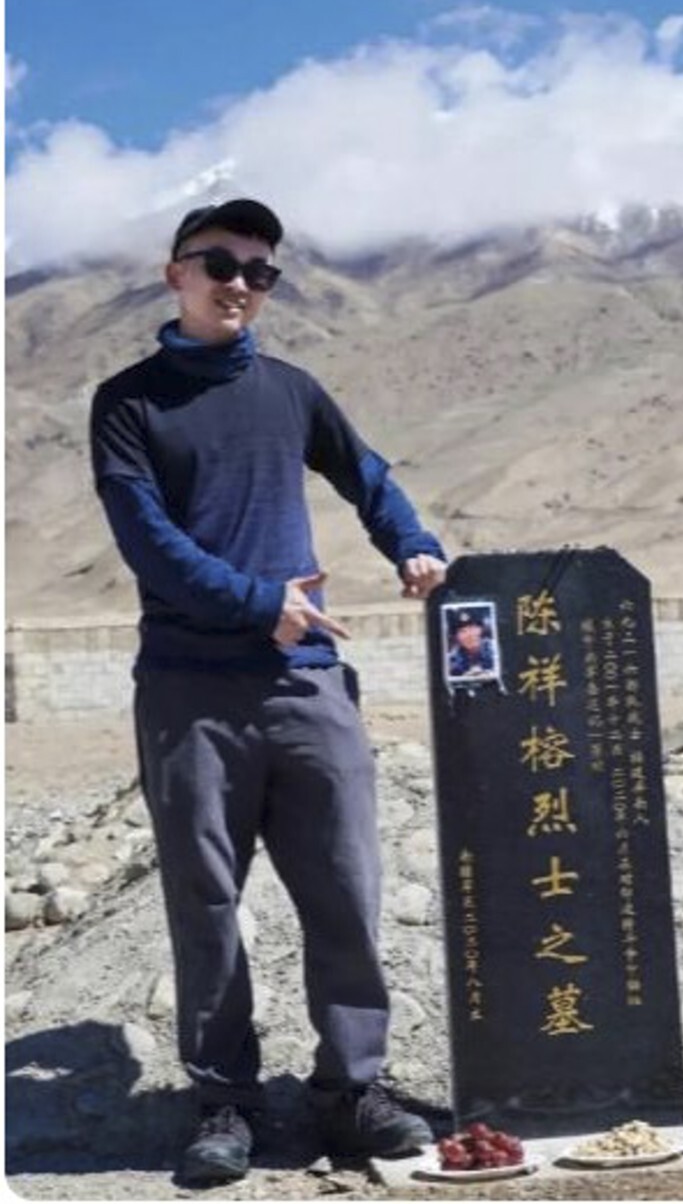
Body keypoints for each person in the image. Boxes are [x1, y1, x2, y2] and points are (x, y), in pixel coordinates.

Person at [89, 198, 447, 1184]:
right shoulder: (127, 404)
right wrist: (261, 604)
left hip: (306, 685)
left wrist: (411, 540)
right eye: (220, 263)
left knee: (344, 887)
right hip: (188, 691)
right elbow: (148, 544)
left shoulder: (293, 390)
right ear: (176, 274)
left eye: (261, 271)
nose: (241, 282)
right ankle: (225, 1102)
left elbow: (365, 471)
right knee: (206, 901)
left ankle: (352, 1089)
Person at [447, 610, 495, 679]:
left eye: (472, 628)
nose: (469, 635)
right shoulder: (450, 661)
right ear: (456, 637)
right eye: (462, 631)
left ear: (481, 629)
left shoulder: (495, 649)